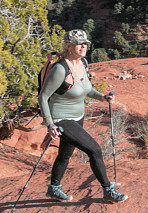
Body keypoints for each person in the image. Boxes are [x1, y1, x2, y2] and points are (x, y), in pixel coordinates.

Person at [38, 29, 127, 203]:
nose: (83, 47)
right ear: (69, 46)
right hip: (61, 118)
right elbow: (43, 96)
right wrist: (50, 124)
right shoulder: (59, 69)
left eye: (85, 44)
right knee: (94, 150)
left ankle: (54, 188)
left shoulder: (83, 63)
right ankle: (108, 190)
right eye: (79, 44)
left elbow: (87, 89)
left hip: (78, 116)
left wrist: (102, 97)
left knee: (65, 152)